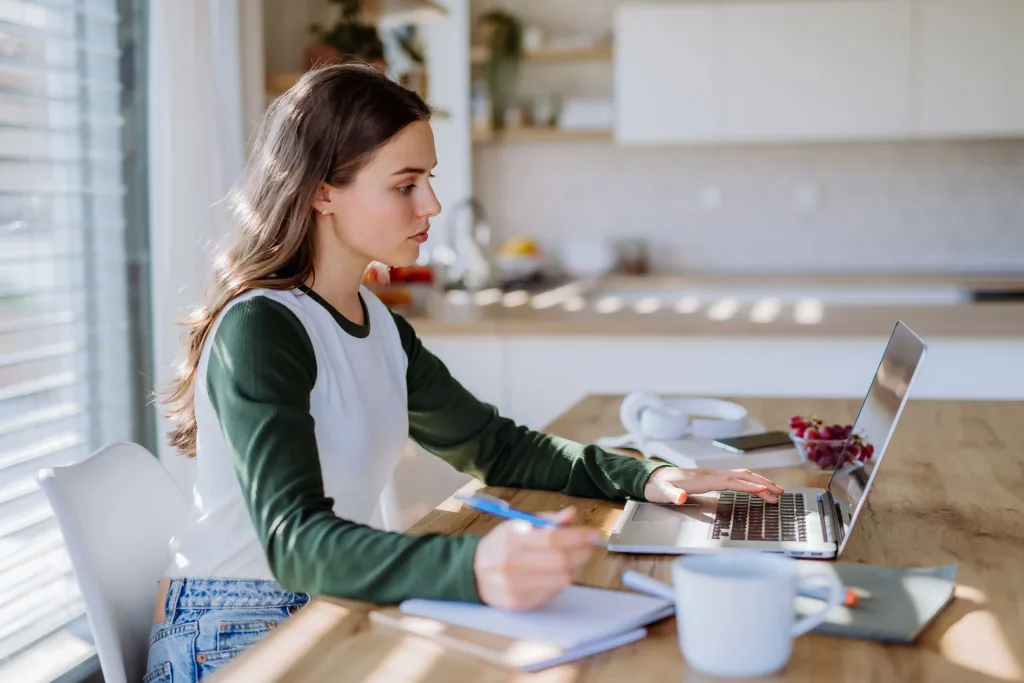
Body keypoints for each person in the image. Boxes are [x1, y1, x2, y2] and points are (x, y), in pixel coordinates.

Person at [148, 64, 783, 682]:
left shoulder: (375, 320)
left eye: (428, 179)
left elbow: (495, 447)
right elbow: (295, 543)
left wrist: (651, 477)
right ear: (322, 192)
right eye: (405, 185)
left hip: (326, 600)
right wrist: (474, 564)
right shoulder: (261, 328)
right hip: (233, 626)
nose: (432, 202)